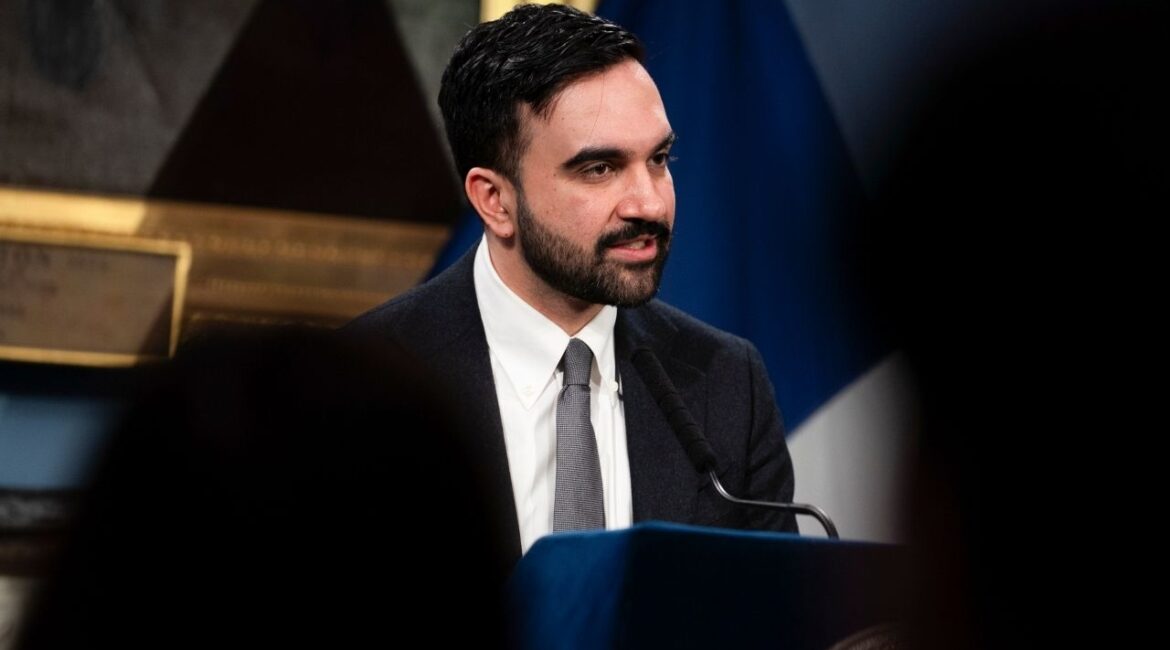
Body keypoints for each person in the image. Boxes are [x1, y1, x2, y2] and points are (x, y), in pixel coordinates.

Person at [347, 4, 796, 565]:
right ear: (495, 200)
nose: (650, 203)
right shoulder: (354, 387)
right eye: (599, 168)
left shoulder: (728, 383)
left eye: (658, 158)